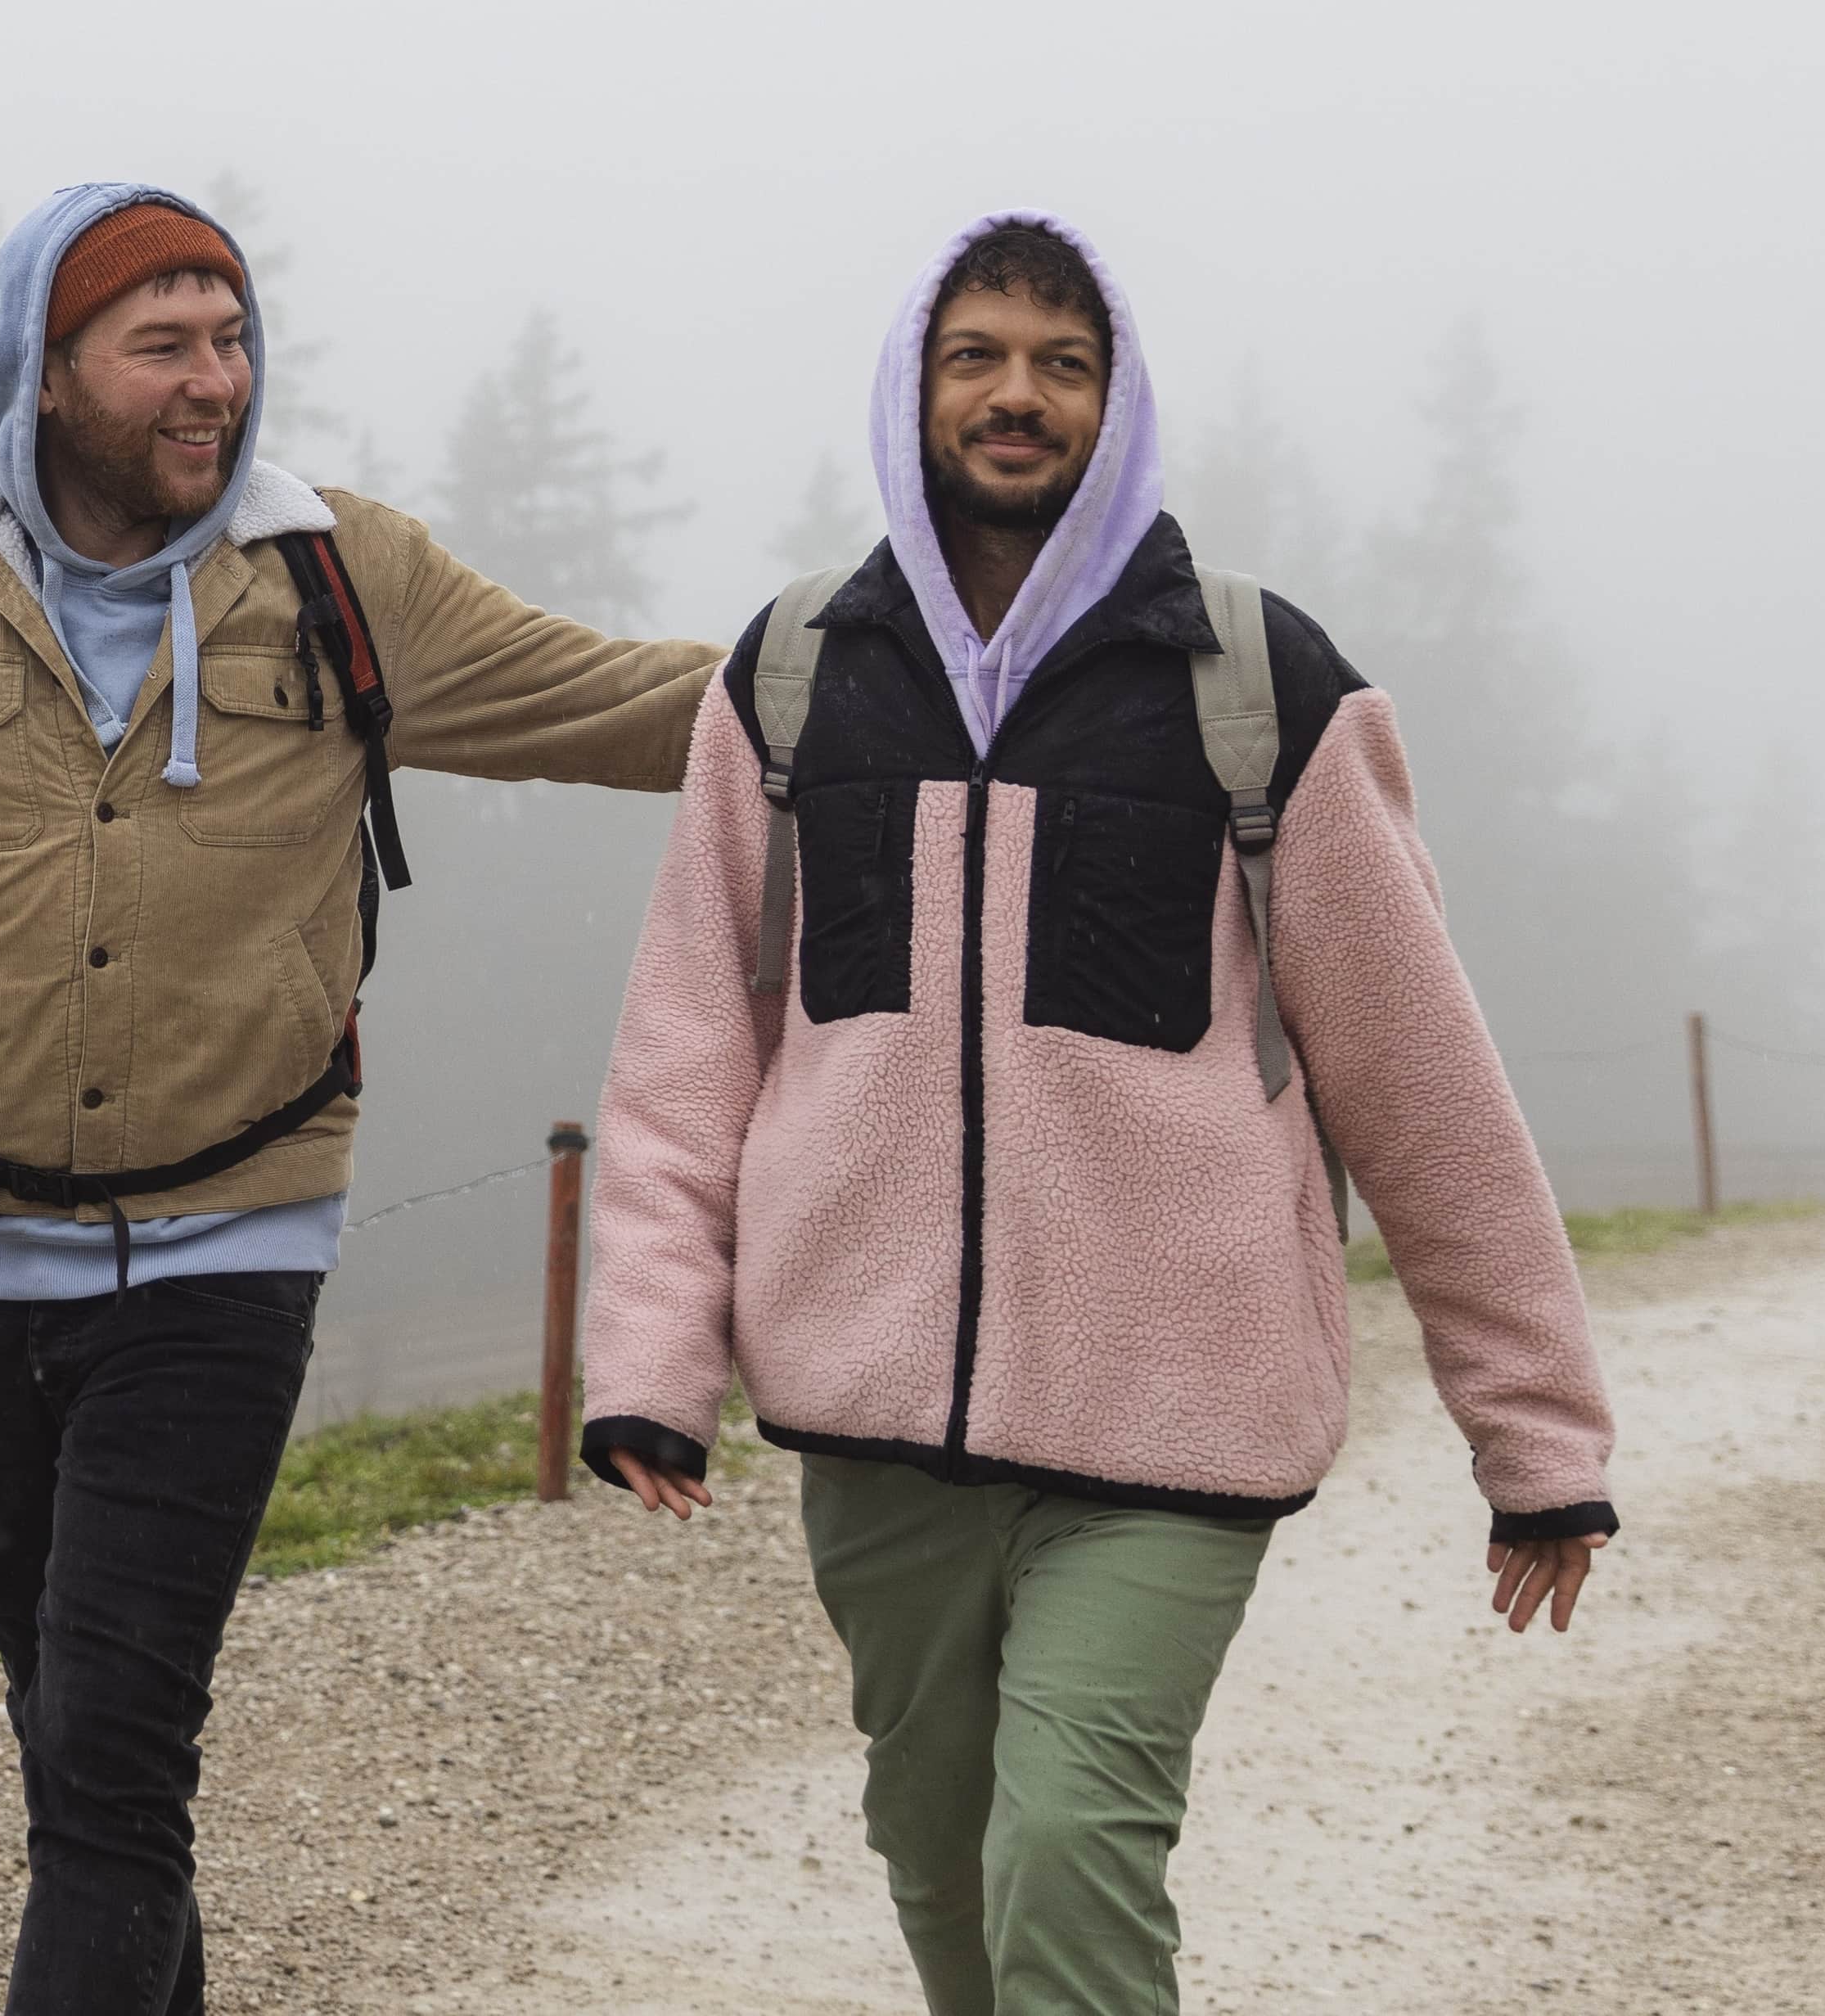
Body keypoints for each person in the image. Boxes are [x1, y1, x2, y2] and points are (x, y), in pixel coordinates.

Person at [0, 183, 720, 2016]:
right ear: (45, 375)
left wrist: (908, 683)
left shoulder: (339, 575)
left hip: (233, 1249)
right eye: (164, 343)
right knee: (77, 1746)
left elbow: (630, 706)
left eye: (231, 337)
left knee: (115, 1761)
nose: (214, 380)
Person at [575, 211, 1619, 2016]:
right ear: (916, 386)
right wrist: (655, 1355)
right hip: (871, 1415)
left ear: (1117, 407)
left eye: (1063, 364)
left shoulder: (1257, 686)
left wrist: (1537, 1436)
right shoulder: (798, 676)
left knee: (1067, 1839)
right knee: (939, 1840)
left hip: (1177, 1417)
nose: (1016, 395)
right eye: (976, 354)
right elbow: (689, 1054)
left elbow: (1426, 1089)